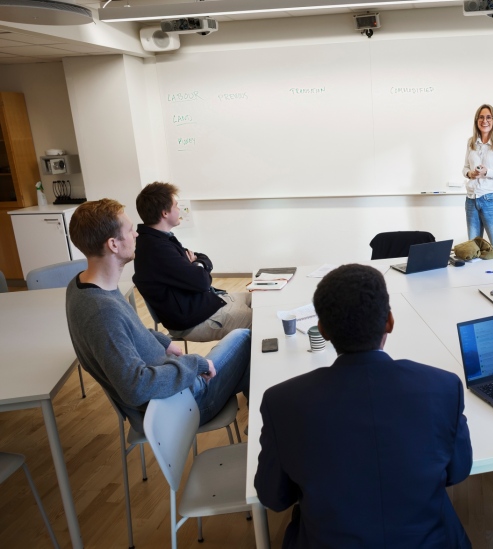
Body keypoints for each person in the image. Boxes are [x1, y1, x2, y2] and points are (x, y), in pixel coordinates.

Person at [255, 264, 472, 548]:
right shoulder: (444, 387)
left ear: (323, 330)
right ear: (390, 322)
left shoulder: (282, 402)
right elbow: (458, 472)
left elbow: (274, 498)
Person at [65, 198, 251, 433]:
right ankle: (267, 427)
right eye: (131, 230)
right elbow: (136, 387)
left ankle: (265, 422)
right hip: (183, 407)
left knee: (252, 358)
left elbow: (129, 331)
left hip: (174, 389)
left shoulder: (83, 285)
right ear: (113, 244)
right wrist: (194, 364)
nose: (136, 235)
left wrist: (162, 342)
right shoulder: (103, 311)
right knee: (247, 338)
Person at [133, 182, 252, 342]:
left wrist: (196, 264)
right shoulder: (157, 249)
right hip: (195, 320)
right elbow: (202, 281)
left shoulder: (159, 239)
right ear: (165, 213)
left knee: (258, 299)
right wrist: (195, 266)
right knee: (262, 321)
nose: (179, 210)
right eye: (176, 206)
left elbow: (201, 257)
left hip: (205, 303)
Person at [463, 104, 493, 265]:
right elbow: (465, 168)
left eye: (488, 117)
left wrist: (487, 172)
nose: (485, 121)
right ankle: (476, 287)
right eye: (481, 117)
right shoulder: (471, 142)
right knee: (473, 253)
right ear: (477, 120)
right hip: (471, 200)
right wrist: (470, 173)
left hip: (492, 201)